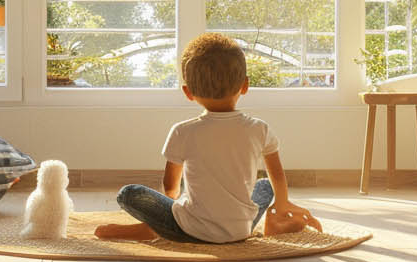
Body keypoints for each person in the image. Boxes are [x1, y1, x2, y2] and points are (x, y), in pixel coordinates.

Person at [95, 33, 322, 242]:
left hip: (191, 229)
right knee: (265, 185)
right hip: (239, 230)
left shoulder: (182, 131)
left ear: (188, 92)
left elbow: (170, 186)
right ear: (245, 86)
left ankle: (155, 228)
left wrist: (170, 208)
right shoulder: (259, 129)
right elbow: (278, 177)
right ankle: (273, 220)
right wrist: (282, 204)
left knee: (129, 194)